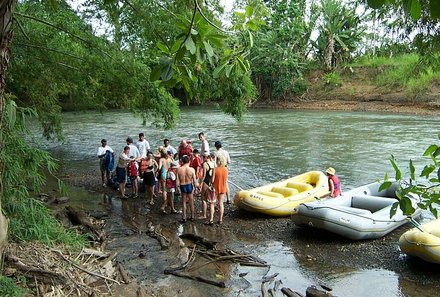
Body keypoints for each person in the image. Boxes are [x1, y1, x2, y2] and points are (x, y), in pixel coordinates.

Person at [176, 155, 197, 223]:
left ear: (183, 162)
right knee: (191, 201)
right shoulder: (192, 169)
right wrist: (196, 188)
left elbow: (177, 180)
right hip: (189, 185)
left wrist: (177, 188)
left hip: (182, 185)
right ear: (189, 161)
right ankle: (192, 216)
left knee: (184, 202)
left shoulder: (179, 169)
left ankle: (184, 217)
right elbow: (194, 181)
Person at [210, 155, 228, 225]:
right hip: (223, 187)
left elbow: (212, 180)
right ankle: (220, 219)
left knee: (212, 203)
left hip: (215, 188)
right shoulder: (226, 169)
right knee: (221, 203)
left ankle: (211, 219)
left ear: (217, 161)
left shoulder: (215, 169)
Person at [199, 152, 215, 220]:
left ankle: (204, 215)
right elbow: (213, 175)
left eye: (203, 157)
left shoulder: (205, 164)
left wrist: (200, 183)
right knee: (211, 200)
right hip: (211, 182)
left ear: (206, 157)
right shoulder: (213, 163)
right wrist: (212, 183)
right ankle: (210, 216)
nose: (202, 158)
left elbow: (204, 176)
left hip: (205, 182)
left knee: (203, 198)